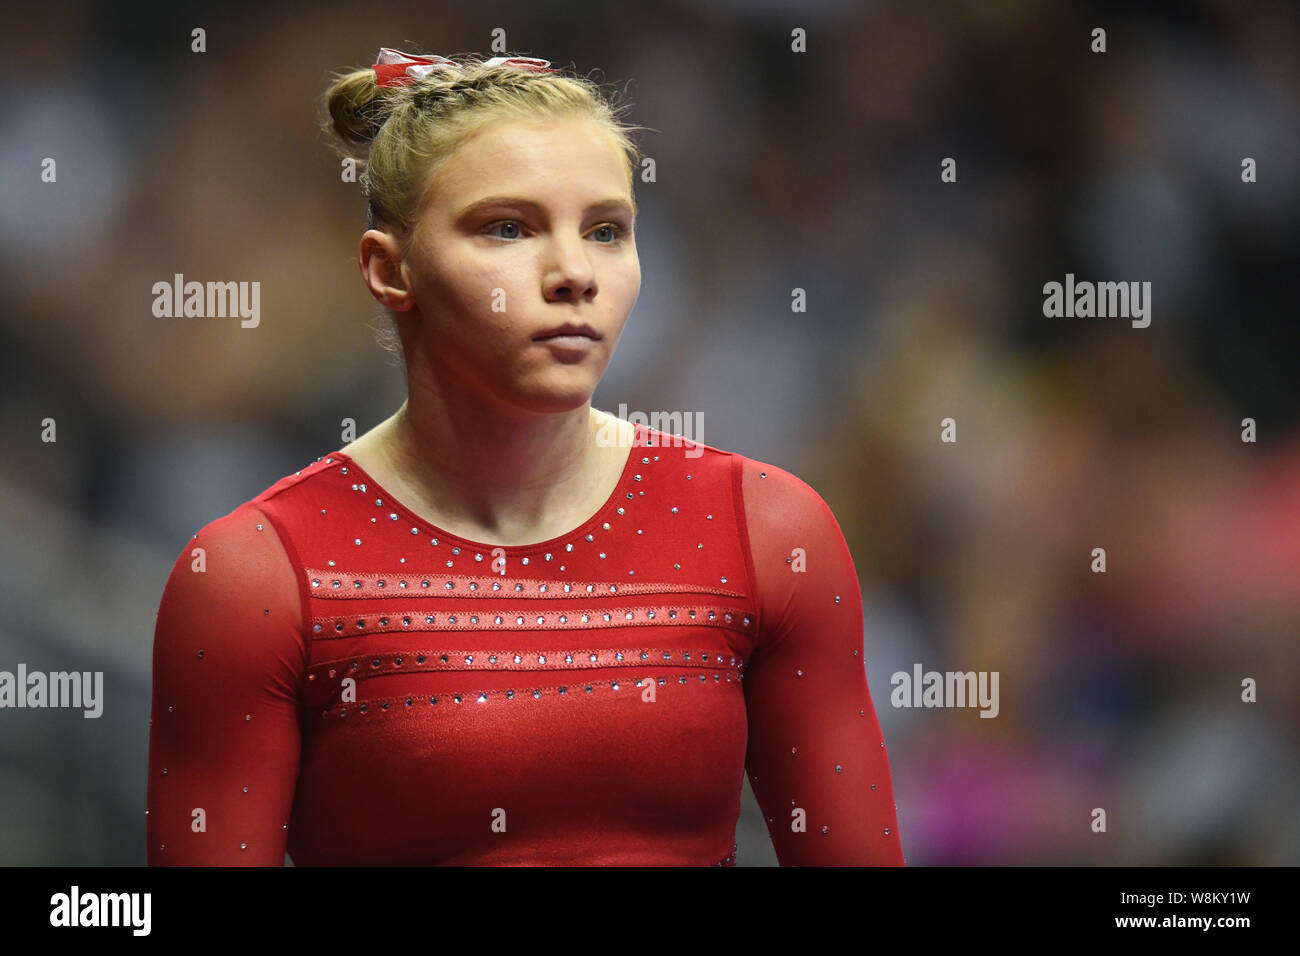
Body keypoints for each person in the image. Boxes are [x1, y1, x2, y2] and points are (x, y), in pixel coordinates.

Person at [145, 48, 904, 866]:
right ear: (388, 269)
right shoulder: (254, 580)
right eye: (508, 227)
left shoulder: (769, 531)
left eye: (607, 231)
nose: (574, 272)